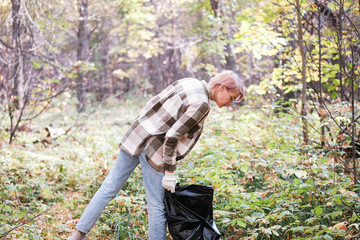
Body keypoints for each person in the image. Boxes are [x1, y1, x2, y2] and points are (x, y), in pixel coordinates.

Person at [68, 70, 245, 240]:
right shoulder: (202, 104)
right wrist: (169, 171)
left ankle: (78, 234)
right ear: (222, 87)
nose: (230, 104)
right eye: (231, 98)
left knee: (108, 188)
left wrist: (146, 127)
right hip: (155, 151)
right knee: (157, 207)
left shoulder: (190, 82)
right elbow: (172, 136)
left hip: (136, 137)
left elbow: (152, 102)